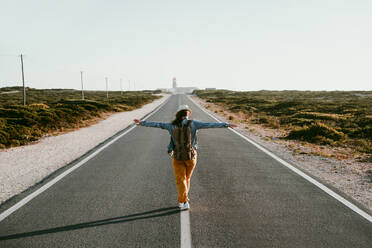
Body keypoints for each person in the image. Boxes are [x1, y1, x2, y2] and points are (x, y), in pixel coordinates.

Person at [134, 104, 237, 210]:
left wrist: (142, 123)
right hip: (191, 156)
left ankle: (183, 201)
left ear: (178, 114)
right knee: (187, 178)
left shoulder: (171, 125)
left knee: (180, 179)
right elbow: (209, 124)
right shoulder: (194, 123)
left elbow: (157, 124)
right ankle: (184, 200)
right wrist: (226, 124)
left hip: (177, 156)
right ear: (188, 113)